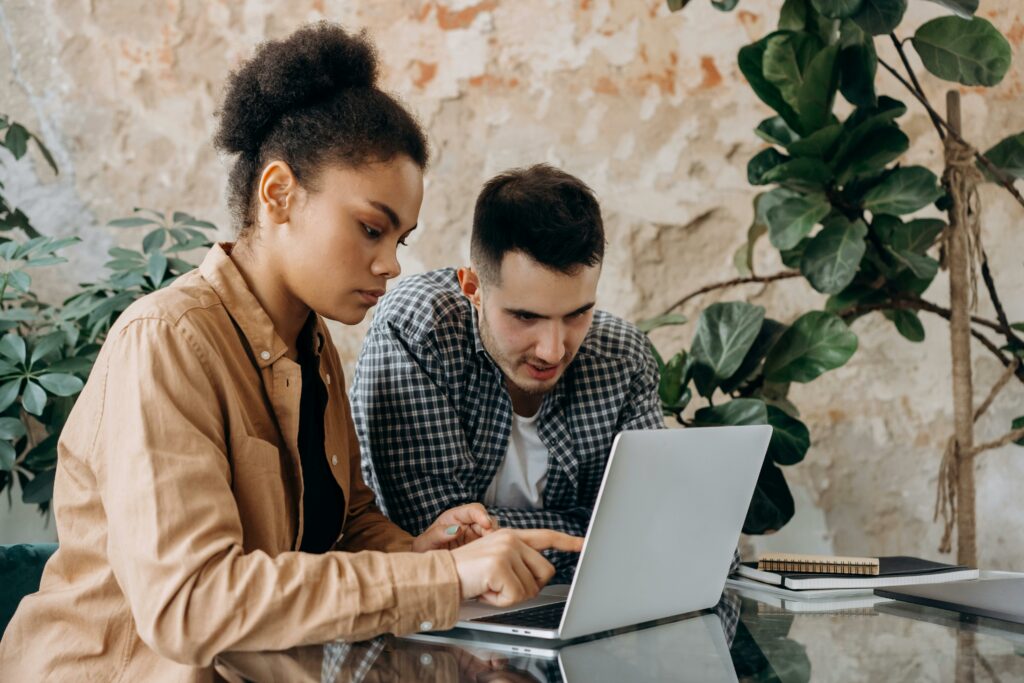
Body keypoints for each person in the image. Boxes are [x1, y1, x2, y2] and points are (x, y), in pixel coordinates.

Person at [0, 23, 581, 681]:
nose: (391, 264)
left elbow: (344, 526)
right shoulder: (164, 342)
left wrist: (430, 549)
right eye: (370, 228)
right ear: (278, 193)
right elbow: (191, 603)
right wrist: (440, 578)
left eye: (401, 238)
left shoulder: (312, 345)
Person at [351, 164, 665, 580]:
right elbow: (435, 535)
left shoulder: (624, 358)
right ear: (473, 288)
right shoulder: (417, 329)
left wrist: (497, 538)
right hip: (434, 626)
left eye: (577, 314)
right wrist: (595, 537)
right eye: (525, 316)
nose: (553, 350)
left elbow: (658, 534)